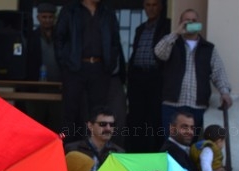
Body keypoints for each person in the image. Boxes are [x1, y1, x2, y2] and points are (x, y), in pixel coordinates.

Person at [155, 8, 232, 138]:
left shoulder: (208, 48)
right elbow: (159, 53)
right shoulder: (172, 43)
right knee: (170, 142)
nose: (191, 23)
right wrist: (176, 32)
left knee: (194, 146)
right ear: (180, 23)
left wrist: (224, 92)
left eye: (194, 20)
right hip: (172, 105)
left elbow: (218, 72)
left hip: (197, 107)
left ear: (199, 23)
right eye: (187, 20)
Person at [55, 0, 122, 141]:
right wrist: (65, 65)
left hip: (99, 68)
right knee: (70, 113)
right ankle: (65, 150)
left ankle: (94, 151)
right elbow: (59, 39)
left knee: (97, 114)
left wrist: (109, 65)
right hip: (74, 69)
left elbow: (115, 41)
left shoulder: (107, 12)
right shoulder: (70, 10)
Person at [126, 0, 170, 153]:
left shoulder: (166, 26)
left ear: (161, 6)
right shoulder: (140, 29)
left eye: (154, 5)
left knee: (153, 119)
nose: (151, 8)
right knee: (136, 118)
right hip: (138, 78)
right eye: (147, 5)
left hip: (156, 78)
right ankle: (136, 152)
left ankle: (152, 153)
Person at [24, 2, 62, 132]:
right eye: (44, 17)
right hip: (37, 89)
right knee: (36, 127)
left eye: (50, 17)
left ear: (54, 18)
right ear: (38, 18)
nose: (47, 20)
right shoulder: (30, 37)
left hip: (58, 89)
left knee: (56, 127)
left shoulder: (61, 37)